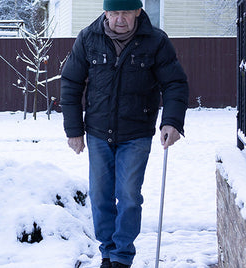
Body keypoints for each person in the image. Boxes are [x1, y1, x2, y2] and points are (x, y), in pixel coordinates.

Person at [60, 0, 189, 267]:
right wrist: (74, 130)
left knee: (129, 195)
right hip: (97, 132)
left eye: (126, 12)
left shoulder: (156, 41)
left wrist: (172, 122)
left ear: (138, 12)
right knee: (99, 195)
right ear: (105, 13)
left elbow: (175, 83)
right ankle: (107, 252)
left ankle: (121, 256)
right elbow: (71, 83)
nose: (120, 19)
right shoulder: (88, 38)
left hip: (136, 133)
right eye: (114, 12)